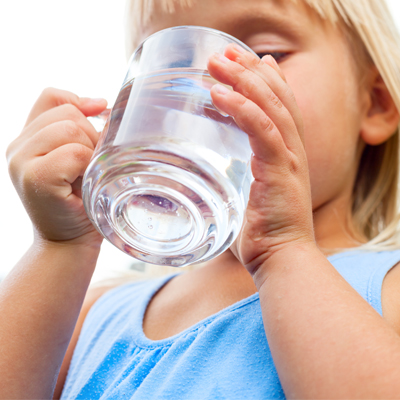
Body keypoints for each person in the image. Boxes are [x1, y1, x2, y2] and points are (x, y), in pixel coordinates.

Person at [3, 0, 400, 398]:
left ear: (376, 103)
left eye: (265, 54)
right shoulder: (91, 313)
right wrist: (60, 247)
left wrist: (284, 249)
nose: (202, 85)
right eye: (172, 62)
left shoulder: (388, 288)